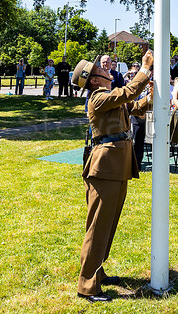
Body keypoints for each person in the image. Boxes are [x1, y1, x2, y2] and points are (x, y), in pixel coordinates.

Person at [72, 50, 154, 303]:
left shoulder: (109, 97)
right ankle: (87, 286)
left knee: (108, 224)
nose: (107, 68)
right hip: (104, 168)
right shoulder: (97, 98)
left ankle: (98, 271)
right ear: (94, 79)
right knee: (98, 227)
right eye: (101, 68)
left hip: (116, 166)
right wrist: (144, 69)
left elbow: (134, 106)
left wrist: (154, 95)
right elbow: (128, 93)